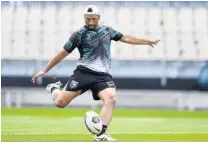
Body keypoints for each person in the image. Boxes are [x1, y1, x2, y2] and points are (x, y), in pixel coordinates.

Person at [31, 5, 160, 141]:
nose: (91, 22)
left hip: (102, 76)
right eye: (88, 19)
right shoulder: (79, 34)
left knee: (111, 99)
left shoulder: (107, 31)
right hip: (83, 73)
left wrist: (146, 42)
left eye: (93, 19)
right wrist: (44, 70)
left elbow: (126, 38)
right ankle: (54, 88)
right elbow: (63, 53)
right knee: (60, 102)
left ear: (99, 18)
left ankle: (100, 135)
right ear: (84, 19)